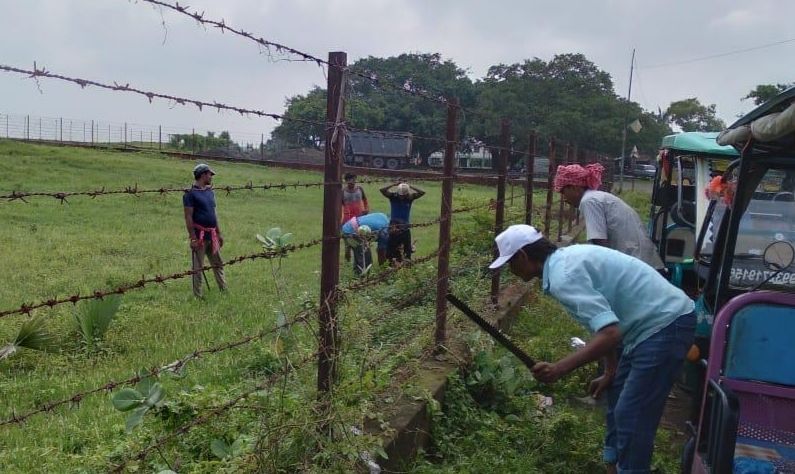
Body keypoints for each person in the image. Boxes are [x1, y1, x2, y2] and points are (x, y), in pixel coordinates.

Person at [489, 224, 695, 474]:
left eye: (511, 264)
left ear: (522, 256)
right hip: (648, 327)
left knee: (633, 413)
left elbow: (610, 333)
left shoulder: (563, 277)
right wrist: (610, 371)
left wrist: (559, 368)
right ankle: (614, 464)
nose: (512, 271)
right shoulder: (564, 262)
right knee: (618, 396)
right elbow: (605, 324)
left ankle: (631, 469)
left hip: (664, 324)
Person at [554, 163, 665, 272]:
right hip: (643, 263)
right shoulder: (597, 197)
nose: (564, 198)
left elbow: (600, 242)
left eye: (563, 192)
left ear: (574, 188)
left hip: (636, 268)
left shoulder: (589, 201)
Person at [183, 163, 227, 297]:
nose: (211, 177)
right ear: (203, 175)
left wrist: (219, 233)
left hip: (212, 234)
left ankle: (223, 289)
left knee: (218, 263)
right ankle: (198, 295)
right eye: (209, 174)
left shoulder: (210, 192)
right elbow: (188, 217)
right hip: (200, 236)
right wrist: (193, 237)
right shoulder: (190, 195)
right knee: (198, 267)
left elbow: (214, 214)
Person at [380, 181, 425, 262]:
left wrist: (410, 185)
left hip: (405, 227)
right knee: (391, 250)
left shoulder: (409, 198)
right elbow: (382, 190)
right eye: (401, 195)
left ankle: (405, 265)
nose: (402, 197)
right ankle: (391, 266)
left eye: (404, 195)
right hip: (393, 227)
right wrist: (394, 184)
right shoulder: (393, 196)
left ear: (407, 194)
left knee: (407, 250)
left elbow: (422, 192)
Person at [342, 173, 370, 262]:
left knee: (361, 238)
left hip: (360, 218)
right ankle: (348, 258)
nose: (352, 182)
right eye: (350, 180)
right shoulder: (342, 191)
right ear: (346, 181)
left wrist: (366, 209)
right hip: (348, 218)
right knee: (348, 241)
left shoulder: (360, 189)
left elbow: (365, 200)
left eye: (354, 180)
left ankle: (361, 259)